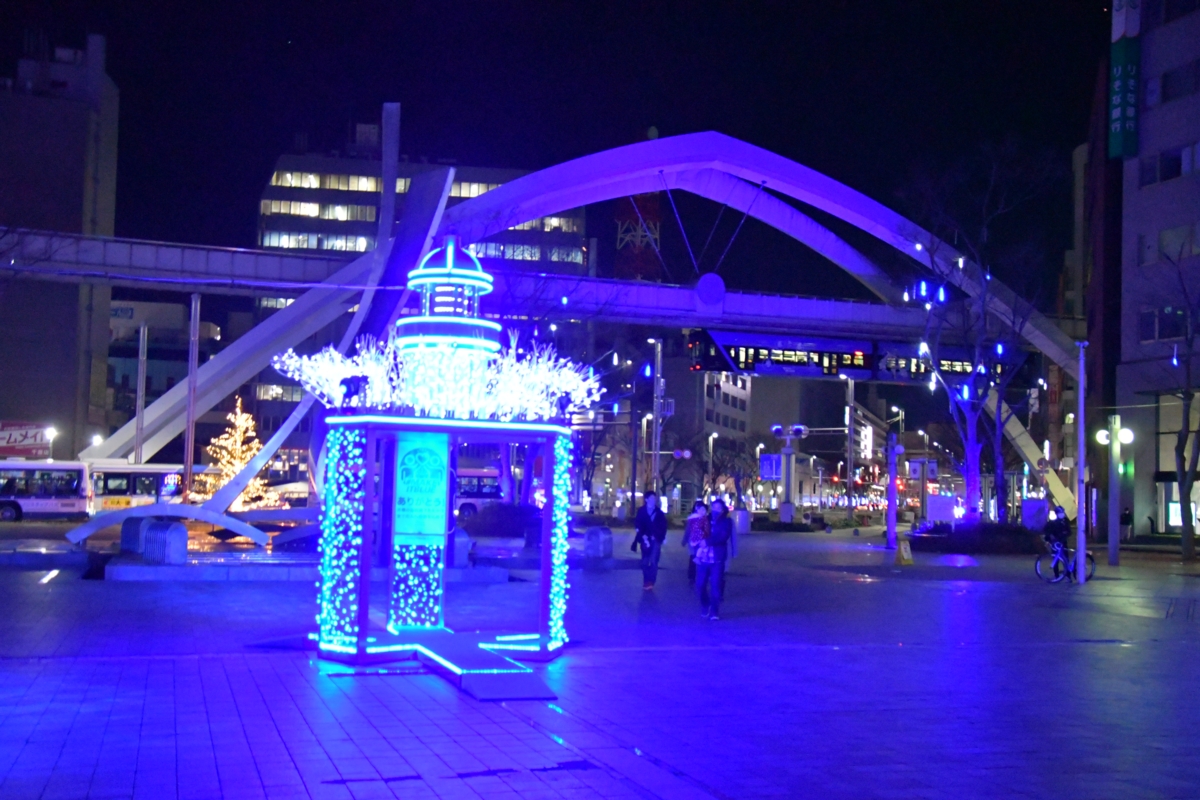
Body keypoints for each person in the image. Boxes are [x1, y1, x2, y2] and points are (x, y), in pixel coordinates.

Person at [697, 499, 733, 619]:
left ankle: (714, 611)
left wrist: (707, 542)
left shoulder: (727, 521)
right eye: (714, 507)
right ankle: (705, 604)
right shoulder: (704, 519)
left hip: (717, 558)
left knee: (716, 585)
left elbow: (723, 537)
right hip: (703, 558)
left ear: (722, 509)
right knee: (700, 584)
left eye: (718, 508)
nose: (715, 510)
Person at [632, 490, 668, 590]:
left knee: (654, 561)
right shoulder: (641, 511)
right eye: (651, 498)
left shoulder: (659, 512)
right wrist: (643, 535)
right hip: (645, 539)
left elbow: (663, 526)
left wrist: (658, 536)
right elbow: (638, 524)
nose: (653, 500)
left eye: (654, 498)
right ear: (646, 499)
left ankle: (651, 582)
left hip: (656, 539)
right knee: (644, 561)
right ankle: (646, 580)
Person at [682, 501, 709, 583]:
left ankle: (700, 575)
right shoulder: (692, 519)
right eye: (699, 508)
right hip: (693, 540)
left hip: (703, 540)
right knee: (693, 557)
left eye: (703, 509)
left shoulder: (705, 518)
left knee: (701, 557)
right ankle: (692, 576)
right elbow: (688, 530)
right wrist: (685, 540)